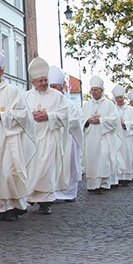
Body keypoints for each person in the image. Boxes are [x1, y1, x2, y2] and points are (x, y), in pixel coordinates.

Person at [0, 48, 35, 221]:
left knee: (9, 172)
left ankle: (15, 205)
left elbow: (24, 114)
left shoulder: (12, 91)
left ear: (1, 72)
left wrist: (3, 115)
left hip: (9, 138)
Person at [24, 57, 69, 214]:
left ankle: (46, 202)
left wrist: (48, 116)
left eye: (45, 80)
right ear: (33, 82)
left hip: (49, 137)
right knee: (33, 168)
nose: (43, 83)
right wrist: (30, 116)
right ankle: (31, 197)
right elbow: (21, 115)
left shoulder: (57, 97)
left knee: (46, 168)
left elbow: (64, 114)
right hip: (32, 139)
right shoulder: (26, 97)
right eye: (39, 81)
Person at [81, 76, 121, 193]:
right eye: (92, 90)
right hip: (90, 139)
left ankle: (103, 184)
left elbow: (114, 119)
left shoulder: (109, 104)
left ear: (101, 91)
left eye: (96, 90)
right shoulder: (86, 105)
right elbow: (80, 118)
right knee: (92, 160)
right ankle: (92, 185)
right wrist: (88, 120)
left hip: (104, 138)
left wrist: (101, 120)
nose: (94, 92)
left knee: (104, 159)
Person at [49, 66, 83, 202]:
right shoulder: (48, 102)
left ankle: (69, 192)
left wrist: (57, 120)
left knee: (68, 167)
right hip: (52, 139)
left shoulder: (69, 104)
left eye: (55, 87)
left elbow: (74, 121)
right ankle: (53, 192)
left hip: (67, 139)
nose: (53, 90)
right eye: (50, 86)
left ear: (62, 87)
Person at [112, 84, 133, 186]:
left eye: (121, 97)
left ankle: (126, 178)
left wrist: (125, 124)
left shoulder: (130, 110)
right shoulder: (112, 109)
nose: (119, 99)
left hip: (127, 137)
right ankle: (116, 178)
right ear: (115, 99)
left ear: (124, 98)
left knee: (127, 156)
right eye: (117, 98)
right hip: (115, 137)